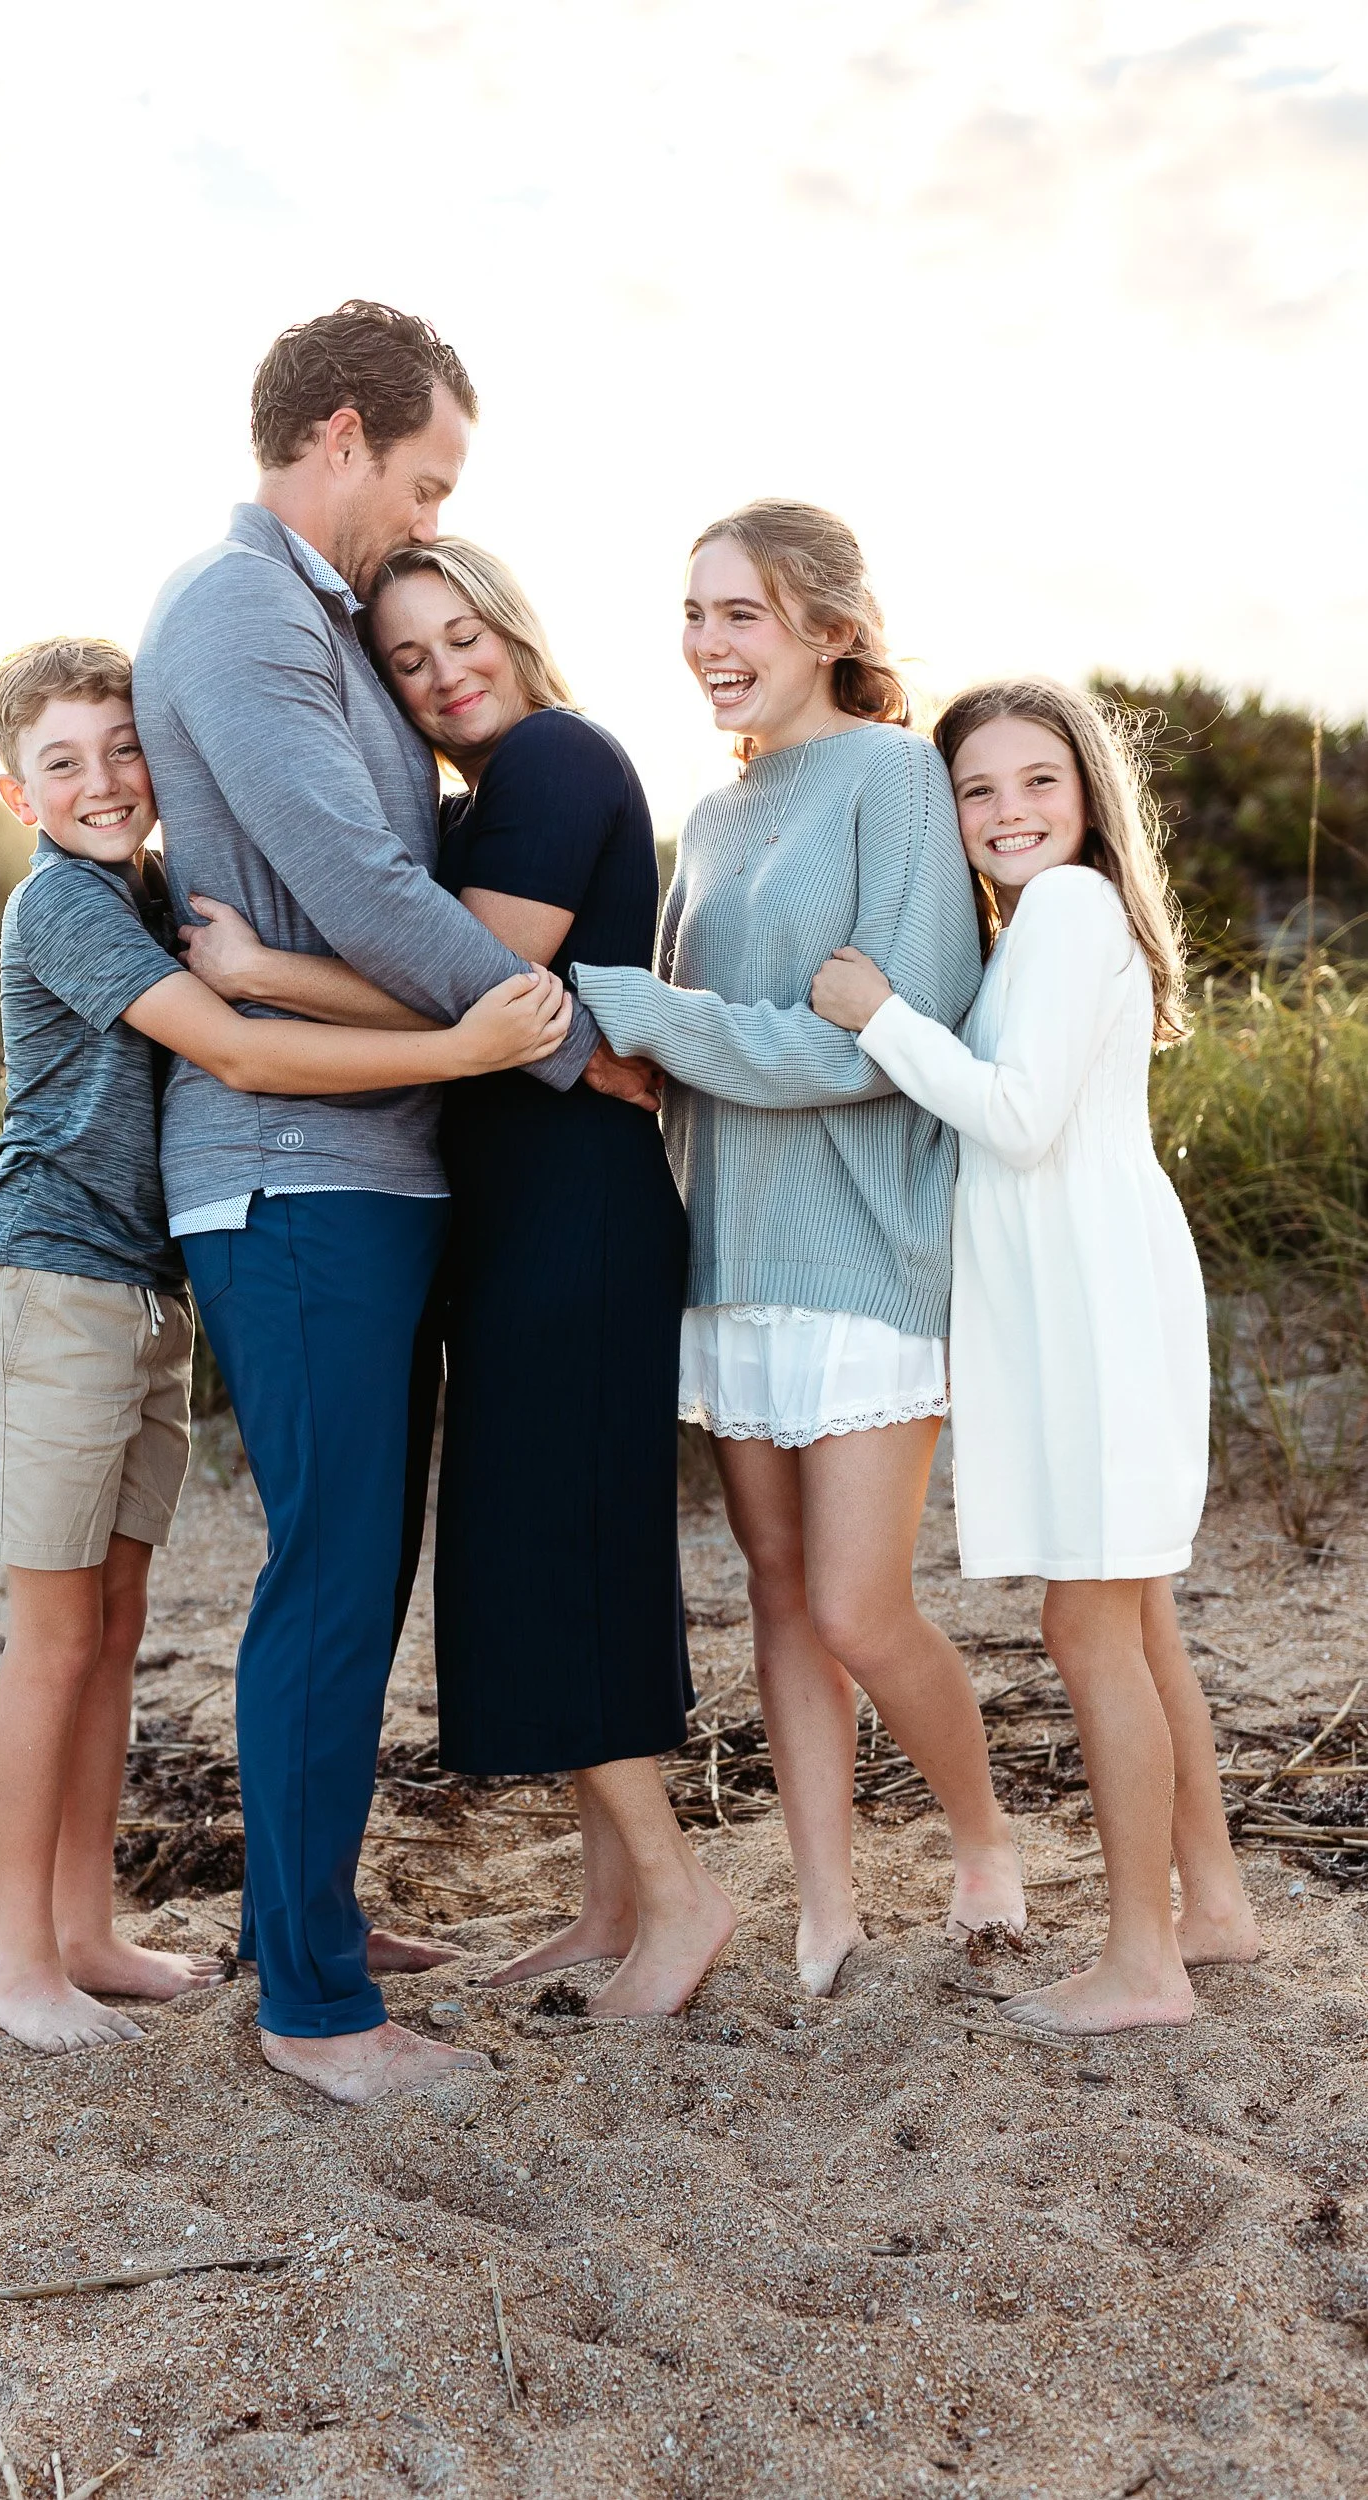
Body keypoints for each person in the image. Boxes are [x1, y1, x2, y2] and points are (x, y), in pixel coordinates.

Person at [131, 304, 652, 2105]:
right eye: (424, 475)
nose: (425, 511)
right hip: (289, 1183)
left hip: (376, 1165)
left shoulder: (320, 621)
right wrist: (560, 1044)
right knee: (332, 1582)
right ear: (342, 436)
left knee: (355, 1575)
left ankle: (312, 1924)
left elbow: (379, 870)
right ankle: (315, 2012)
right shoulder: (237, 610)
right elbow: (358, 879)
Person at [0, 636, 572, 2057]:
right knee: (53, 1637)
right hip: (43, 1283)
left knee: (110, 1629)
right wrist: (459, 1049)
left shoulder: (150, 889)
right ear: (11, 791)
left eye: (121, 749)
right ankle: (14, 1956)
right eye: (63, 762)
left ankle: (90, 1929)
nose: (103, 781)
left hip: (134, 1295)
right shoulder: (63, 905)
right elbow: (234, 1050)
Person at [183, 541, 734, 2017]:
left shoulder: (553, 758)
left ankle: (679, 1901)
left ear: (514, 626)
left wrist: (265, 972)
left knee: (548, 1546)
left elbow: (480, 992)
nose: (444, 671)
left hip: (572, 1212)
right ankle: (609, 1909)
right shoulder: (479, 802)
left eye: (462, 633)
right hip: (524, 1209)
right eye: (407, 660)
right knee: (575, 1544)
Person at [572, 501, 1026, 1999]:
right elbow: (719, 1049)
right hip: (728, 1259)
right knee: (775, 1597)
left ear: (829, 630)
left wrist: (637, 1010)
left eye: (739, 615)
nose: (706, 646)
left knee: (855, 1606)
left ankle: (978, 1837)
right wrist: (654, 1040)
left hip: (864, 1250)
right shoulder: (709, 817)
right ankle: (824, 1905)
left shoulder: (893, 780)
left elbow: (876, 1046)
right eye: (693, 614)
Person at [812, 679, 1262, 2034]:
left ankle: (1141, 1963)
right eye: (977, 790)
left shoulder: (1066, 909)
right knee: (1135, 1620)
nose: (1008, 812)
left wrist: (874, 1014)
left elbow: (1010, 1122)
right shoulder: (1040, 930)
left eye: (1037, 783)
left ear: (1087, 797)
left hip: (1093, 1306)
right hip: (1087, 1294)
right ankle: (1215, 1905)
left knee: (1088, 1626)